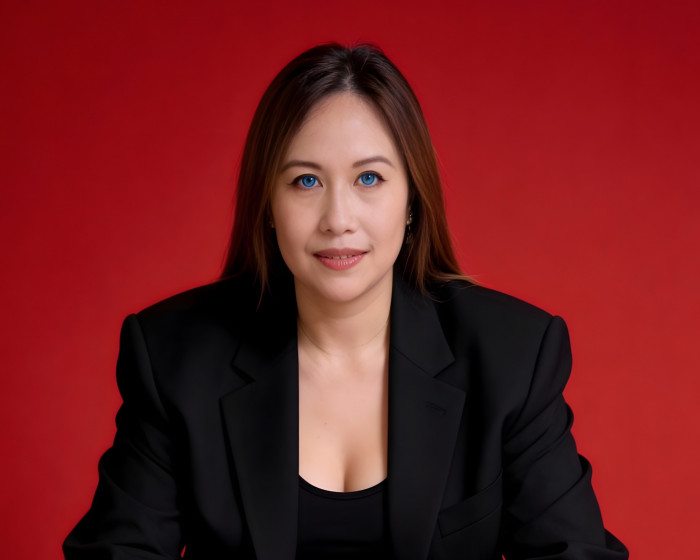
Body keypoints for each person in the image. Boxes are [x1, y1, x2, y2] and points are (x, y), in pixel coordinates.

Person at [64, 43, 628, 560]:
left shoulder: (514, 357)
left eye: (369, 179)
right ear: (267, 205)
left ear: (412, 200)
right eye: (306, 181)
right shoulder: (174, 357)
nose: (338, 220)